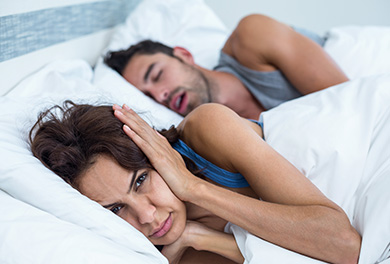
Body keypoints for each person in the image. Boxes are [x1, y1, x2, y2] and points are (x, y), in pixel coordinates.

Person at [29, 100, 360, 264]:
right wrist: (202, 238)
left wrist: (193, 187)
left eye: (141, 180)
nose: (145, 216)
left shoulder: (207, 131)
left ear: (158, 151)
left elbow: (345, 245)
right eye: (116, 208)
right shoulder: (171, 251)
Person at [104, 14, 348, 119]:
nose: (160, 95)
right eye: (148, 97)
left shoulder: (251, 38)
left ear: (184, 55)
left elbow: (350, 102)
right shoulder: (211, 137)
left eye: (157, 75)